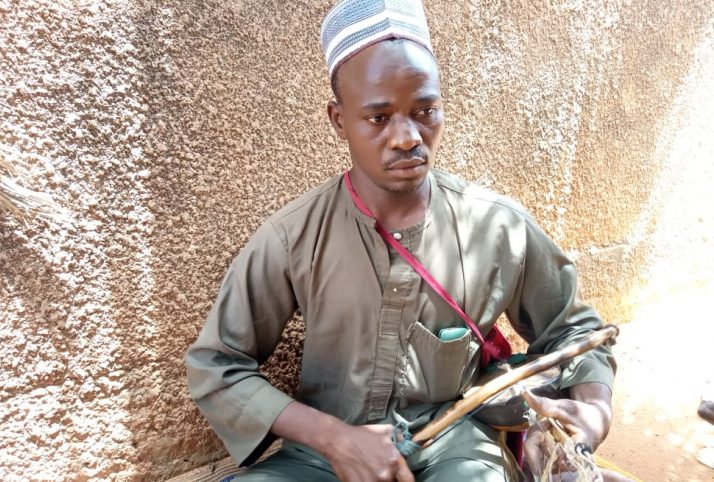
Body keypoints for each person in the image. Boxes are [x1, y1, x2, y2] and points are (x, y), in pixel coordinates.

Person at [185, 1, 616, 480]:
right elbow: (217, 364)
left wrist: (594, 410)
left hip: (458, 444)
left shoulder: (498, 227)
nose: (408, 137)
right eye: (378, 117)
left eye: (424, 111)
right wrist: (335, 439)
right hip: (323, 455)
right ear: (337, 119)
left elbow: (575, 331)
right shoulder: (292, 236)